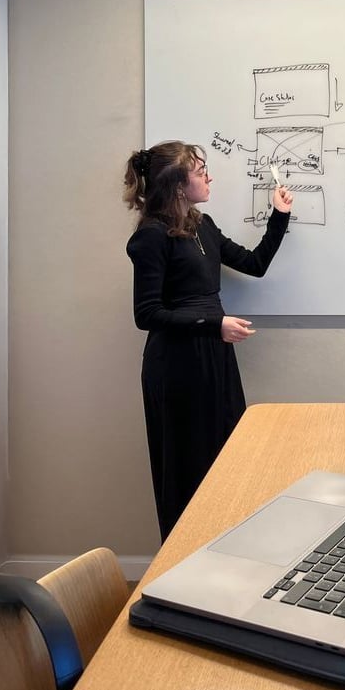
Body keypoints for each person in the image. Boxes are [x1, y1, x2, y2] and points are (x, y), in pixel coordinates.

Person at [123, 141, 292, 540]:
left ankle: (222, 557)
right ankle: (179, 565)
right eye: (200, 172)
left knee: (226, 459)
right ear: (179, 186)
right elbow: (145, 315)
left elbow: (255, 264)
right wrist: (211, 325)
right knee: (185, 468)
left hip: (214, 357)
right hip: (177, 366)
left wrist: (279, 216)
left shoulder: (204, 226)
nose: (209, 176)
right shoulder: (150, 237)